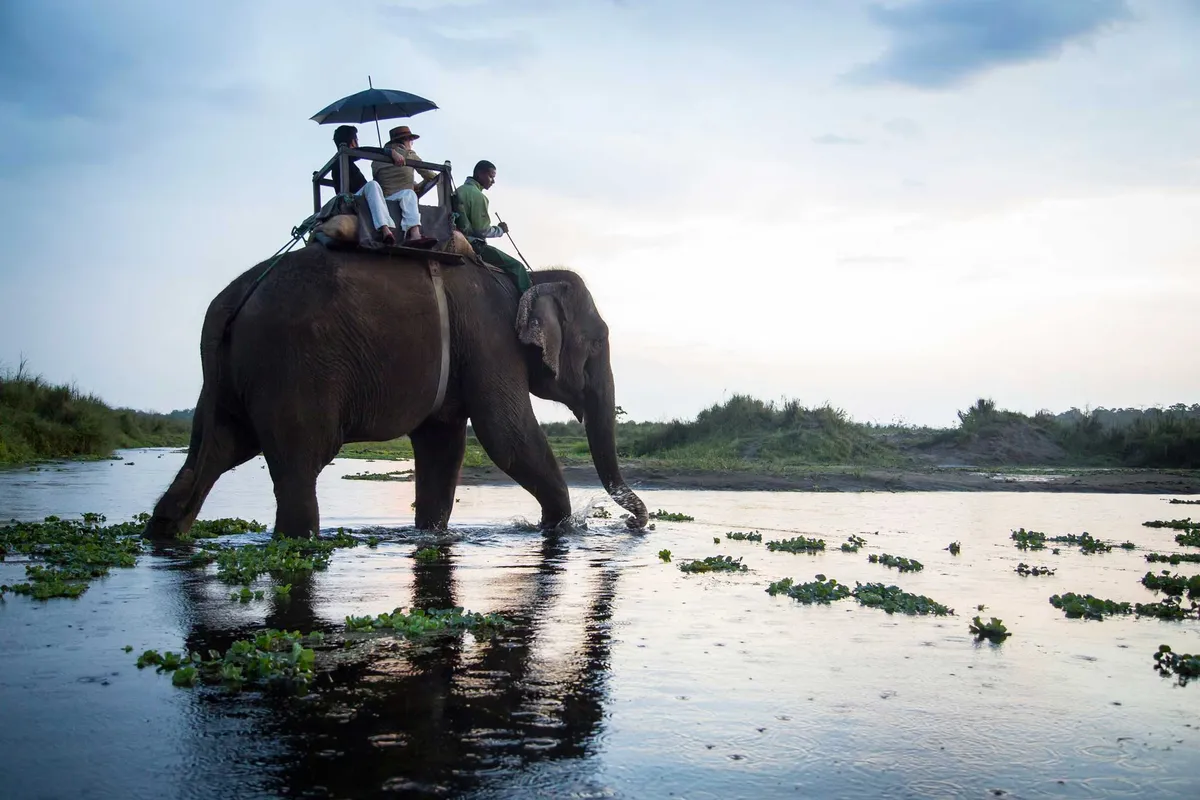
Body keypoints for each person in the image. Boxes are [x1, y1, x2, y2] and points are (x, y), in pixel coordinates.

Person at [454, 160, 531, 291]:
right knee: (517, 267)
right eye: (491, 176)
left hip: (456, 239)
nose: (493, 181)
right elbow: (481, 231)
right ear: (480, 174)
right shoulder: (478, 196)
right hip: (474, 245)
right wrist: (500, 230)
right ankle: (530, 305)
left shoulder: (458, 190)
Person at [330, 124, 403, 244]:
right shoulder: (341, 158)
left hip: (367, 198)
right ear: (353, 142)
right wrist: (389, 152)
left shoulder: (346, 161)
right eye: (356, 139)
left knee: (407, 194)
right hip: (351, 200)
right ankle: (385, 229)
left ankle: (415, 233)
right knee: (372, 185)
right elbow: (363, 151)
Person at [372, 125, 438, 248]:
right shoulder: (409, 154)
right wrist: (422, 184)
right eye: (411, 140)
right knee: (410, 193)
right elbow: (430, 176)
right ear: (406, 140)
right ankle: (414, 234)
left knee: (409, 193)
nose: (411, 144)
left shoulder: (375, 161)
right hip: (403, 199)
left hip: (384, 201)